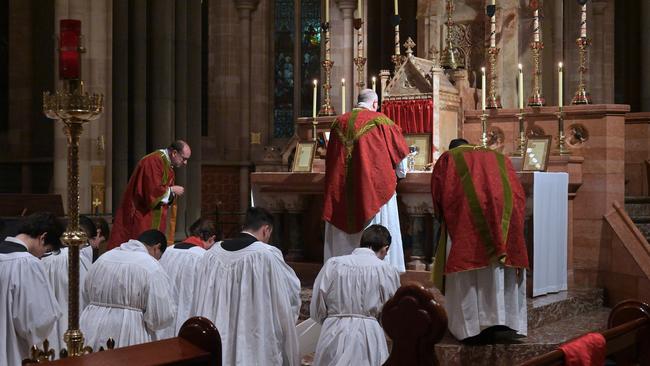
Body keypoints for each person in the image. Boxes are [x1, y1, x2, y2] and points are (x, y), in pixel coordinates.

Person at [431, 141, 529, 342]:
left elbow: (440, 190)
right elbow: (518, 193)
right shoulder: (499, 157)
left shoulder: (450, 157)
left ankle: (471, 328)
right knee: (500, 269)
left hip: (467, 220)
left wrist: (441, 215)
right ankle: (505, 320)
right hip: (505, 217)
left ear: (453, 147)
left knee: (470, 266)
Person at [192, 207, 301, 366]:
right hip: (253, 333)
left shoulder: (213, 253)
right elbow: (290, 293)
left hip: (218, 331)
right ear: (266, 230)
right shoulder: (266, 254)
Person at [322, 89, 410, 272]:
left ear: (357, 102)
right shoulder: (381, 121)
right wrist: (400, 174)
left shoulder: (338, 122)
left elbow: (329, 160)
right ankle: (379, 273)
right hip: (372, 192)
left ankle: (341, 273)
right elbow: (401, 161)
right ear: (375, 104)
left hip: (342, 192)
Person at [310, 224, 401, 366]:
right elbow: (393, 311)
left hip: (333, 331)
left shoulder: (333, 264)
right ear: (386, 248)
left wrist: (332, 320)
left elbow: (317, 306)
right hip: (368, 334)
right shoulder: (386, 270)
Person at [80, 229, 177, 350]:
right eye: (159, 256)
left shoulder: (104, 258)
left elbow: (84, 294)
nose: (158, 259)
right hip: (129, 329)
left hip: (92, 325)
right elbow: (160, 316)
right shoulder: (151, 265)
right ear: (157, 247)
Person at [0, 212, 64, 365]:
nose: (42, 255)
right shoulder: (27, 264)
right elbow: (36, 321)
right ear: (43, 238)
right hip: (13, 349)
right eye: (46, 249)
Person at [108, 140, 191, 250]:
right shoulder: (154, 161)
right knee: (140, 250)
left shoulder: (166, 164)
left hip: (152, 216)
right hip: (143, 215)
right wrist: (172, 190)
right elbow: (152, 192)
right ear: (174, 153)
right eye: (184, 158)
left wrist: (171, 192)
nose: (185, 163)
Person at [42, 215, 102, 352]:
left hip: (49, 324)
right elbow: (89, 293)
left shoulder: (45, 260)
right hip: (76, 322)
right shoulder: (79, 259)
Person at [157, 218, 218, 339]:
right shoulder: (203, 257)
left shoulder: (167, 251)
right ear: (211, 239)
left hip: (163, 320)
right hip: (187, 319)